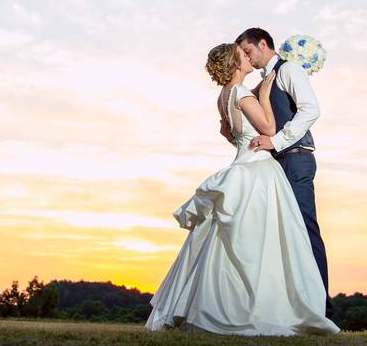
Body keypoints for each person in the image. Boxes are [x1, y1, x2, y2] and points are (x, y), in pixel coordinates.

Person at [145, 43, 339, 336]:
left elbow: (229, 133)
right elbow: (269, 130)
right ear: (236, 63)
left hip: (241, 162)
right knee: (265, 241)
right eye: (243, 55)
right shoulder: (245, 94)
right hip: (259, 169)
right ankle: (264, 304)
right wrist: (262, 95)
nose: (248, 59)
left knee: (234, 239)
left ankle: (224, 302)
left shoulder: (223, 96)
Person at [235, 27, 333, 318]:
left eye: (248, 51)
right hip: (278, 163)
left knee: (305, 230)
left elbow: (310, 110)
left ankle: (323, 310)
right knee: (283, 236)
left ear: (262, 44)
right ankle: (291, 306)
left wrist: (275, 141)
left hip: (296, 159)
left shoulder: (289, 70)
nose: (247, 59)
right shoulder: (265, 80)